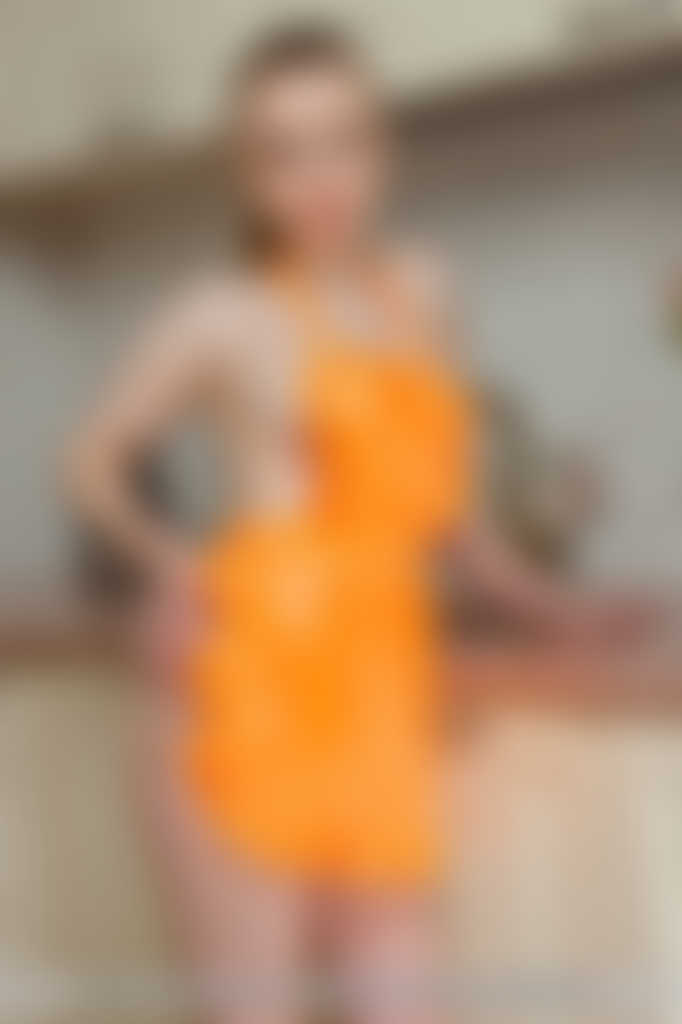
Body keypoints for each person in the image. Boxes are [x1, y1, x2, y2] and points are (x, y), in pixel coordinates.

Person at [66, 22, 651, 1024]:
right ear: (246, 177)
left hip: (378, 692)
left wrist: (558, 611)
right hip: (245, 689)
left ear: (383, 150)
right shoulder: (219, 313)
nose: (319, 177)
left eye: (343, 140)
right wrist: (176, 564)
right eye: (282, 152)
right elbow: (90, 464)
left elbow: (451, 515)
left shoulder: (425, 290)